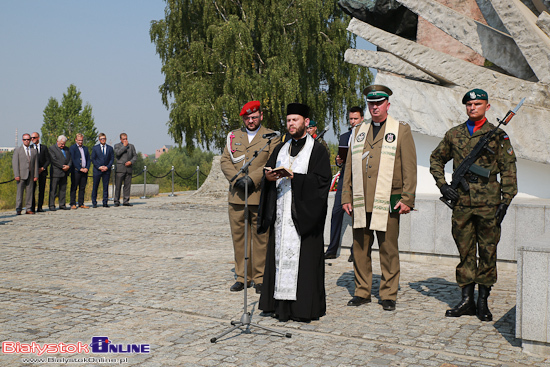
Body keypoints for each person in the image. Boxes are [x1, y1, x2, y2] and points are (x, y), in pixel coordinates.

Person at [430, 88, 518, 321]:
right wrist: (442, 185)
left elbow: (509, 170)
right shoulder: (454, 134)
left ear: (487, 107)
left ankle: (482, 302)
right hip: (462, 204)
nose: (473, 107)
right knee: (465, 252)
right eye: (469, 104)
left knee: (488, 252)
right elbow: (436, 158)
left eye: (478, 104)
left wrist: (505, 202)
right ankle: (466, 300)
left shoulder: (498, 135)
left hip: (489, 204)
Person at [342, 85, 417, 311]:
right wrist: (346, 195)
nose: (375, 107)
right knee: (360, 248)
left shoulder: (401, 130)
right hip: (360, 199)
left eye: (379, 103)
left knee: (388, 249)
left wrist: (408, 198)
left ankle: (388, 293)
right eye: (371, 103)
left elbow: (410, 168)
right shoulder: (358, 131)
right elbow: (348, 167)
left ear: (387, 104)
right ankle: (362, 291)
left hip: (389, 199)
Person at [258, 102, 331, 322]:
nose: (291, 124)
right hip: (281, 214)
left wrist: (295, 178)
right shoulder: (280, 148)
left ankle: (302, 309)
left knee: (305, 263)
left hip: (303, 217)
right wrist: (269, 178)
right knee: (279, 259)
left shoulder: (317, 150)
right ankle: (277, 305)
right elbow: (268, 172)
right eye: (288, 120)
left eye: (295, 120)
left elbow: (322, 182)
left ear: (306, 123)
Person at [220, 100, 280, 294]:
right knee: (239, 237)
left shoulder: (272, 136)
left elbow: (272, 161)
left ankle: (260, 277)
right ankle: (242, 276)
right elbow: (225, 160)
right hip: (237, 195)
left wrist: (252, 179)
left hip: (259, 193)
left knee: (260, 237)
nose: (251, 120)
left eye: (254, 117)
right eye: (247, 118)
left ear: (261, 116)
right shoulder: (234, 136)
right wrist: (237, 179)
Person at [324, 106, 364, 261]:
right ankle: (332, 249)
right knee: (336, 213)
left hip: (360, 181)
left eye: (356, 118)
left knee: (357, 215)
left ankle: (356, 251)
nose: (353, 121)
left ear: (362, 119)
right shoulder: (344, 137)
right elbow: (341, 160)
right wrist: (338, 161)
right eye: (351, 119)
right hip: (344, 180)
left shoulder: (366, 137)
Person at [12, 133, 38, 215]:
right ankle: (18, 208)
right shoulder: (18, 150)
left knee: (29, 192)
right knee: (20, 193)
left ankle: (28, 208)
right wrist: (16, 174)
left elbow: (36, 164)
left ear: (30, 140)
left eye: (28, 139)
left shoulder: (34, 151)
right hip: (21, 175)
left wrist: (36, 175)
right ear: (22, 140)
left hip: (31, 175)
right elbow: (15, 163)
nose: (26, 141)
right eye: (24, 139)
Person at [48, 135, 72, 211]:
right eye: (61, 143)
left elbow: (70, 159)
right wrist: (62, 167)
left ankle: (62, 204)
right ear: (57, 141)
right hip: (56, 172)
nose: (62, 145)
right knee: (53, 190)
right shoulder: (52, 149)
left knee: (63, 189)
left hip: (65, 173)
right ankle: (52, 205)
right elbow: (54, 160)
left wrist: (68, 166)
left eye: (64, 144)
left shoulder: (67, 149)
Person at [91, 133, 115, 208]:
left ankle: (105, 202)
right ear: (99, 140)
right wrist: (99, 167)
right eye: (101, 139)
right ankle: (94, 202)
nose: (103, 140)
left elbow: (112, 159)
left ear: (106, 139)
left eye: (104, 138)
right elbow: (93, 159)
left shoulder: (110, 148)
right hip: (97, 170)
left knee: (105, 187)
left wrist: (107, 167)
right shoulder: (95, 148)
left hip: (106, 170)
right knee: (95, 186)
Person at [114, 133, 137, 207]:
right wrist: (124, 146)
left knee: (127, 186)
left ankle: (126, 201)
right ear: (120, 139)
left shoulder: (131, 146)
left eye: (126, 139)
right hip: (120, 168)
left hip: (128, 169)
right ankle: (116, 201)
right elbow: (117, 153)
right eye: (123, 139)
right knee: (118, 186)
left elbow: (135, 156)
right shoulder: (117, 146)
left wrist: (131, 162)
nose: (125, 140)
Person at [69, 133, 91, 209]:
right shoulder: (72, 148)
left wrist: (87, 168)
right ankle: (73, 203)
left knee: (82, 188)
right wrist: (79, 168)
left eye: (81, 140)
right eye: (79, 140)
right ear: (76, 140)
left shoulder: (85, 148)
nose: (80, 142)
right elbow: (73, 159)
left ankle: (81, 203)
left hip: (84, 171)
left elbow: (88, 159)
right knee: (74, 187)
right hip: (76, 171)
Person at [30, 132, 50, 213]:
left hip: (42, 172)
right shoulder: (30, 148)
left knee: (41, 190)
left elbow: (48, 159)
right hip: (32, 173)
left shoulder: (44, 148)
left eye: (34, 137)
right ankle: (32, 207)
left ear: (38, 138)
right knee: (32, 190)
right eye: (31, 138)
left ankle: (40, 207)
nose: (32, 139)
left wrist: (43, 168)